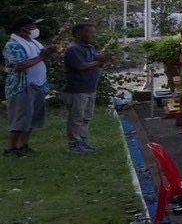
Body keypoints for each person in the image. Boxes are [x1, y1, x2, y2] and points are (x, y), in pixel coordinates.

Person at [5, 17, 52, 156]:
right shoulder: (13, 45)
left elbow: (42, 56)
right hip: (22, 86)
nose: (35, 29)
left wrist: (49, 53)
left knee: (32, 118)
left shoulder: (34, 43)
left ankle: (23, 145)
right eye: (32, 26)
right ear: (22, 29)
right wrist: (43, 57)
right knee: (20, 118)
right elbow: (20, 65)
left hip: (38, 84)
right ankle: (10, 148)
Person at [62, 23, 106, 154]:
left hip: (90, 88)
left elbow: (93, 62)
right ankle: (74, 144)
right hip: (77, 89)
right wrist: (99, 62)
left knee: (86, 117)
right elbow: (80, 66)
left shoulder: (90, 47)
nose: (93, 35)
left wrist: (100, 60)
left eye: (93, 32)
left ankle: (83, 141)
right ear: (78, 34)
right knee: (76, 118)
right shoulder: (73, 49)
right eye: (89, 32)